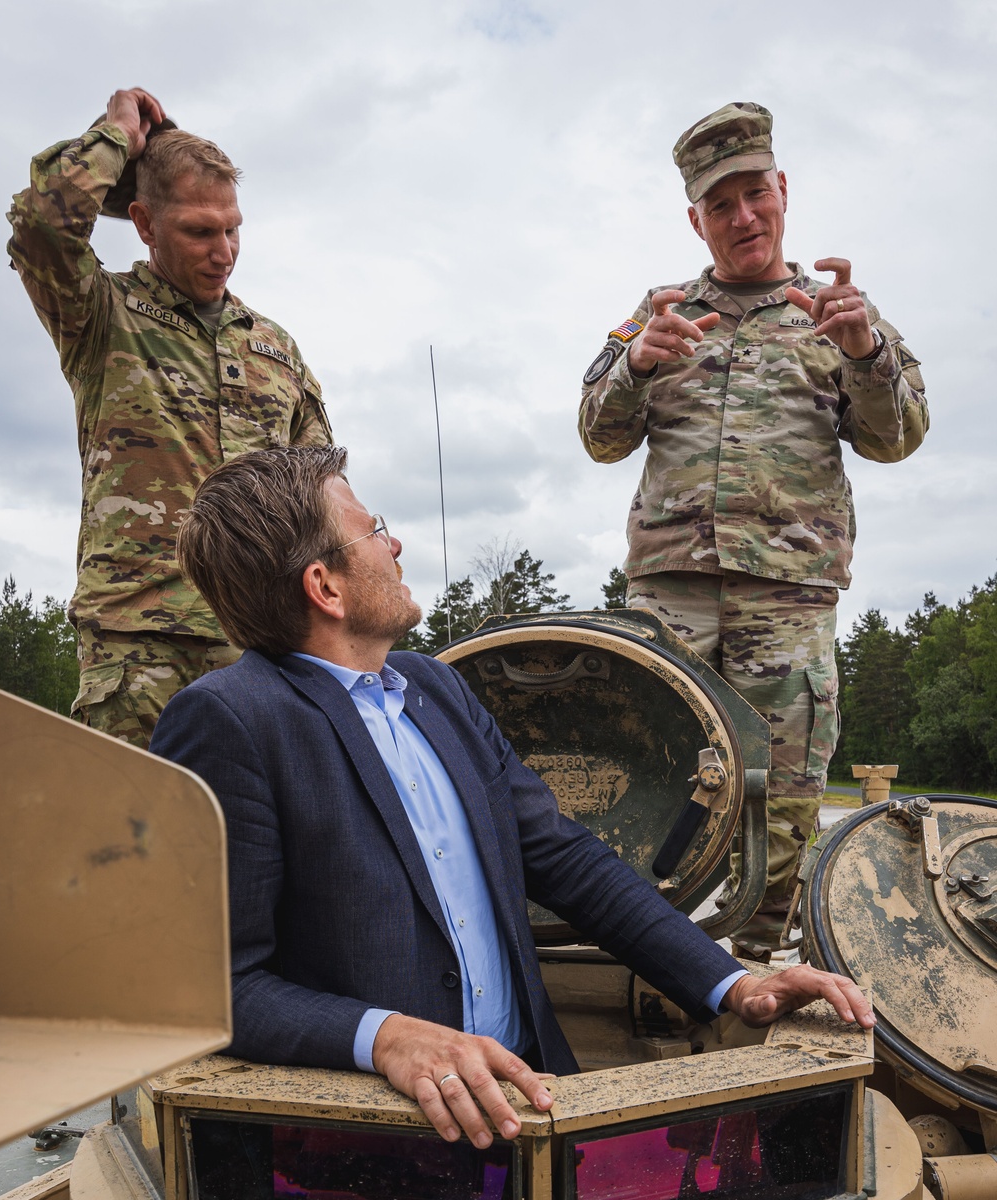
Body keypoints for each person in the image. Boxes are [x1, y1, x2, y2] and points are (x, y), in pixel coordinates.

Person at [150, 444, 873, 1148]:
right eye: (372, 530)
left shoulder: (437, 689)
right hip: (391, 1133)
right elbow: (214, 988)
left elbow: (564, 859)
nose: (394, 542)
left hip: (536, 1090)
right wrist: (386, 1038)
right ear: (325, 587)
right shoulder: (229, 722)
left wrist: (731, 985)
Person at [578, 102, 928, 961]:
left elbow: (899, 437)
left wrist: (865, 356)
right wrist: (634, 365)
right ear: (694, 218)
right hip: (670, 601)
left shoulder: (840, 312)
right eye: (720, 203)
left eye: (755, 193)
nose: (743, 217)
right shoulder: (658, 313)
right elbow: (597, 433)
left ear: (783, 191)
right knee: (655, 782)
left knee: (785, 798)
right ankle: (655, 970)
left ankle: (756, 974)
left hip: (788, 602)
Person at [7, 87, 333, 749]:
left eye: (233, 228)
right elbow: (41, 229)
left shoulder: (272, 346)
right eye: (199, 232)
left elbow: (323, 491)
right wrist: (117, 136)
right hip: (138, 650)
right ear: (146, 224)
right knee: (135, 844)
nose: (224, 251)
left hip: (260, 648)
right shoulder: (100, 314)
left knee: (261, 848)